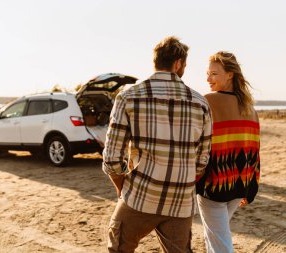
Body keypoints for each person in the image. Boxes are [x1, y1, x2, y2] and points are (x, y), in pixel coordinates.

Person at [102, 36, 212, 253]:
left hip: (140, 196)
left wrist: (121, 187)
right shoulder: (200, 103)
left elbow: (112, 157)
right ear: (178, 63)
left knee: (118, 248)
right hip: (180, 202)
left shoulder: (129, 97)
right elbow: (202, 161)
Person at [196, 51, 260, 253]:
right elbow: (255, 151)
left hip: (214, 184)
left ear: (230, 74)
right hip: (241, 183)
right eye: (207, 74)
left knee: (220, 243)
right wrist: (250, 188)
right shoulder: (250, 107)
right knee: (213, 235)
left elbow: (197, 141)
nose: (208, 79)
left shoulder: (208, 101)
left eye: (214, 74)